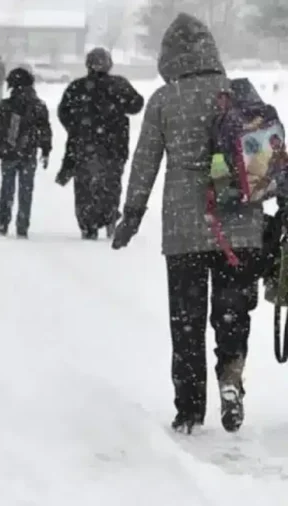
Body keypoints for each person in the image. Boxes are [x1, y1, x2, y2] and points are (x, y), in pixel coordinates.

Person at [111, 13, 262, 434]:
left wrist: (131, 215)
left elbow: (145, 163)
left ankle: (190, 409)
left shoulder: (164, 100)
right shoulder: (235, 94)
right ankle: (231, 378)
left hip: (185, 231)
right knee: (232, 313)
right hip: (241, 226)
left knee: (187, 322)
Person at [57, 47, 144, 240]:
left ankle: (88, 224)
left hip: (84, 146)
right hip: (114, 146)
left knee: (84, 187)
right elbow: (137, 104)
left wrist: (77, 128)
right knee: (110, 184)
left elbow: (63, 112)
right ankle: (109, 215)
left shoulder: (77, 87)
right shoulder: (119, 85)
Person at [0, 68, 52, 239]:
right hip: (29, 153)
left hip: (9, 153)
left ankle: (3, 221)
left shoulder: (5, 106)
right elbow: (45, 130)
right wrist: (45, 150)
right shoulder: (39, 106)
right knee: (26, 190)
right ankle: (22, 224)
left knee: (7, 188)